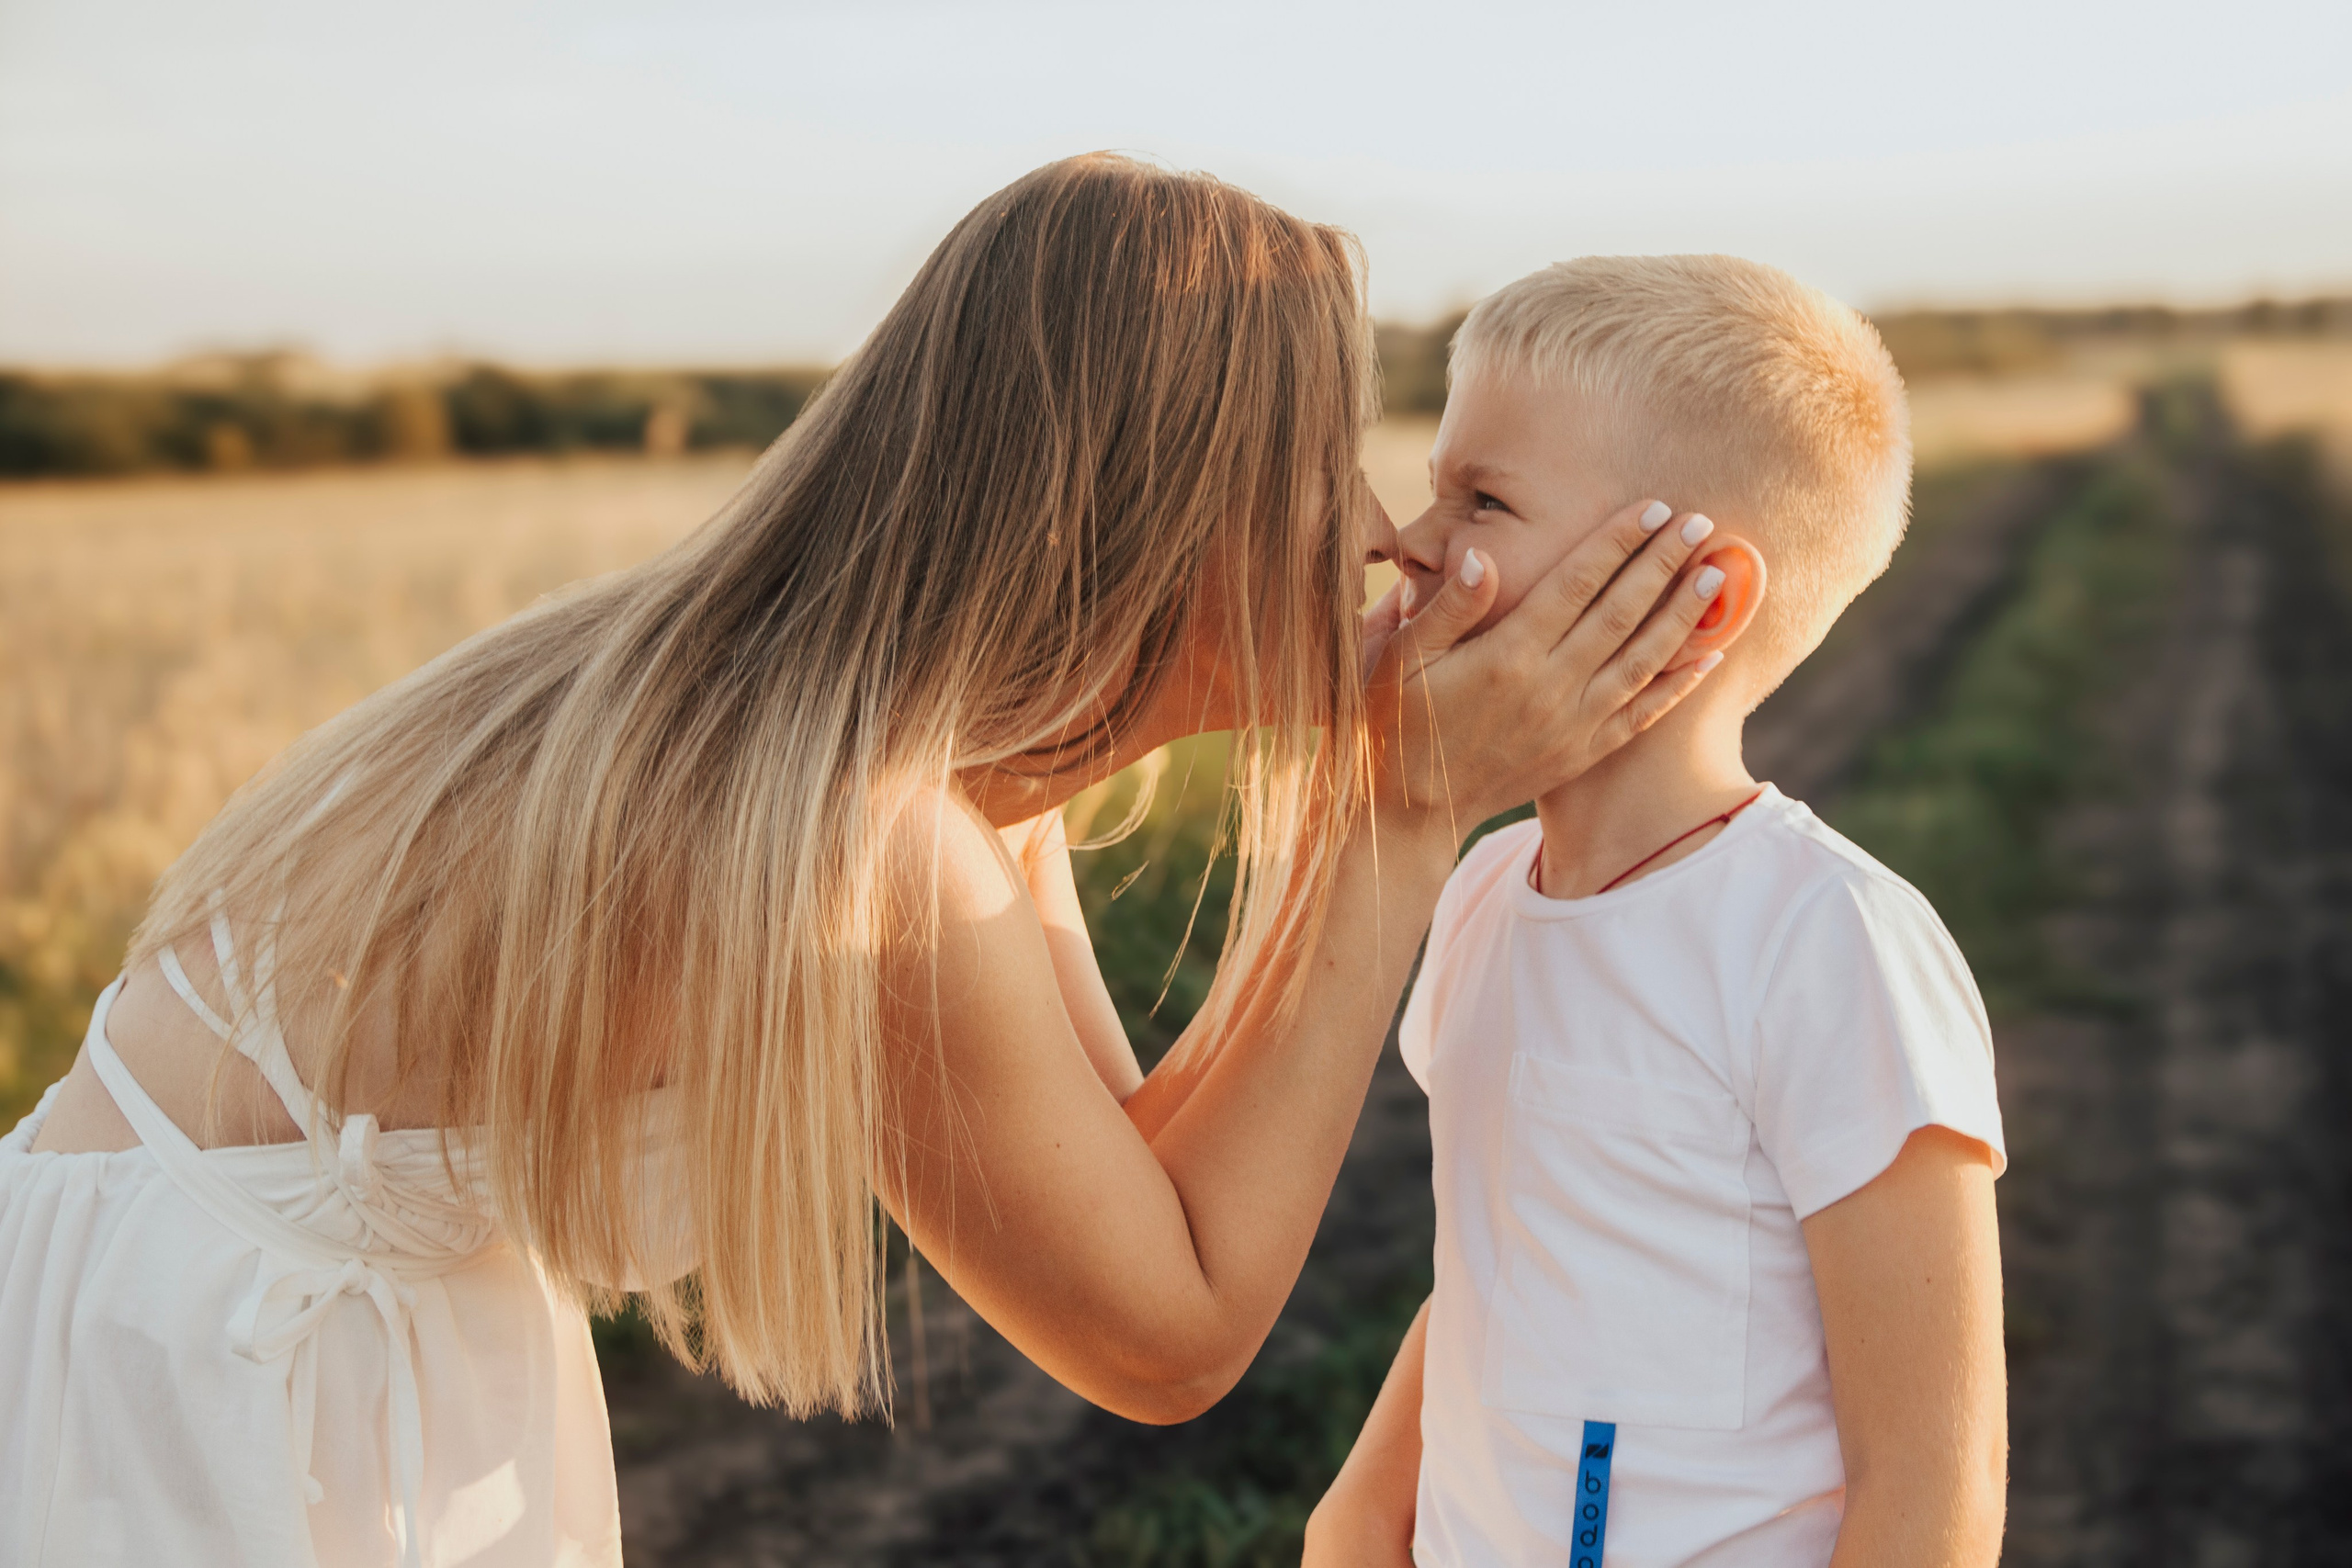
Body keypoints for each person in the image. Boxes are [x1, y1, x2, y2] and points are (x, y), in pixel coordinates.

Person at [0, 159, 1732, 1566]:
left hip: (256, 1319)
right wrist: (1403, 823)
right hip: (194, 1392)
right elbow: (1165, 1339)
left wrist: (1382, 793)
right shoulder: (860, 821)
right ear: (1154, 506)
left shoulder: (940, 756)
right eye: (1311, 462)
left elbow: (1131, 1191)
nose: (1370, 530)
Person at [1304, 256, 2008, 1568]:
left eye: (1485, 499)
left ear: (1700, 596)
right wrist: (1352, 1523)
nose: (1411, 536)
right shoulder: (1472, 893)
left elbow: (1935, 1481)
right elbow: (1506, 1262)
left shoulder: (1829, 944)